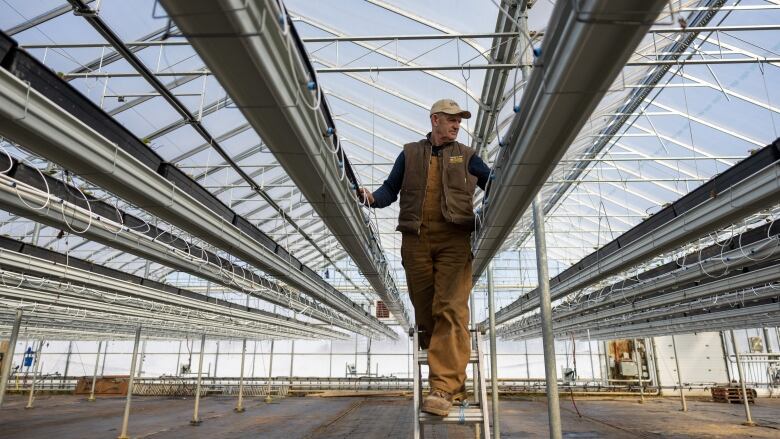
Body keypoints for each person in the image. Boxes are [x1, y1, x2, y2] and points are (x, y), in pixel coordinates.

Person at [357, 99, 490, 416]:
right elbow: (390, 190)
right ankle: (446, 364)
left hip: (454, 239)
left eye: (460, 121)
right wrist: (371, 198)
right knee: (425, 307)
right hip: (415, 241)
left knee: (451, 307)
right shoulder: (410, 153)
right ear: (435, 120)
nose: (457, 125)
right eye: (452, 120)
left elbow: (492, 181)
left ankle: (443, 388)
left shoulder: (467, 156)